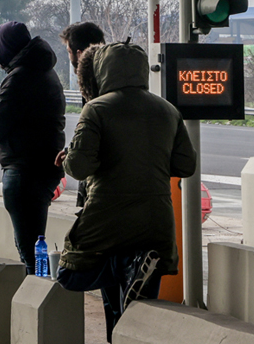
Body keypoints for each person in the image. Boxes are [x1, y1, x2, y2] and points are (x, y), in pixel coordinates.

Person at [55, 41, 195, 342]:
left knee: (69, 273)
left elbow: (79, 167)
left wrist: (68, 158)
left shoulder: (97, 109)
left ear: (103, 70)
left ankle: (128, 267)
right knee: (140, 313)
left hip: (107, 216)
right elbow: (186, 164)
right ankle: (133, 268)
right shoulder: (168, 110)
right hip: (156, 222)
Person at [0, 21, 67, 271]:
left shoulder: (20, 78)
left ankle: (38, 297)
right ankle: (40, 293)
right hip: (44, 168)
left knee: (29, 251)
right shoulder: (45, 71)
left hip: (23, 171)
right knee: (35, 242)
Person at [59, 22, 106, 211]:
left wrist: (72, 155)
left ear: (80, 54)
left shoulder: (93, 90)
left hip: (101, 191)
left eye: (69, 52)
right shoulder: (119, 80)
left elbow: (81, 163)